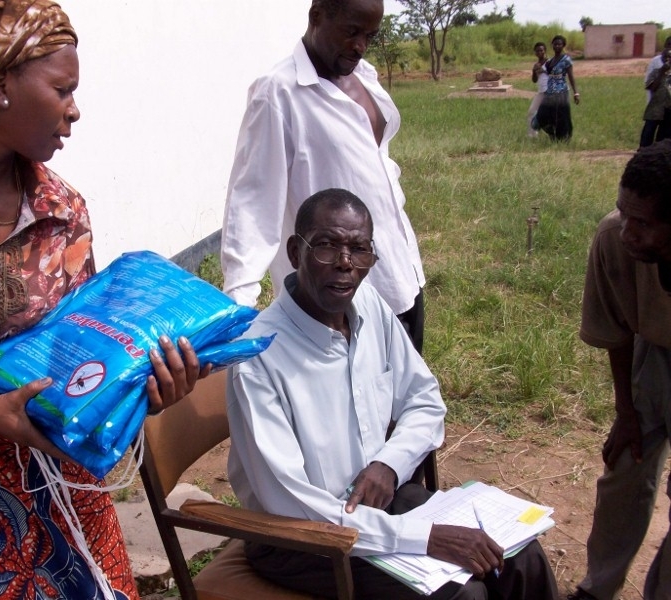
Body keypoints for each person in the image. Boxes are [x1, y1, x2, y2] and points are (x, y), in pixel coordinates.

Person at [0, 2, 205, 598]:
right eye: (62, 89)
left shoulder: (63, 210)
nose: (74, 110)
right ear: (0, 85)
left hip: (64, 479)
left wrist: (145, 389)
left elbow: (89, 352)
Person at [226, 188, 560, 600]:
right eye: (327, 246)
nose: (346, 263)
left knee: (520, 557)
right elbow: (292, 501)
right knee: (464, 595)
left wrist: (388, 464)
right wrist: (424, 537)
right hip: (301, 537)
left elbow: (424, 398)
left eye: (359, 249)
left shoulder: (366, 303)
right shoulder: (259, 356)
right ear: (296, 252)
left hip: (377, 500)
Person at [220, 0, 427, 353]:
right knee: (355, 388)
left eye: (369, 36)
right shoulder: (278, 93)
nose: (360, 46)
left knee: (407, 384)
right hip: (340, 299)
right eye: (352, 32)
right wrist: (238, 313)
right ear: (316, 16)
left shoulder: (364, 77)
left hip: (400, 274)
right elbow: (252, 205)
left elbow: (373, 165)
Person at [568, 140, 671, 600]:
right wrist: (626, 412)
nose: (628, 231)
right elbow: (616, 331)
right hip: (653, 354)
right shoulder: (614, 238)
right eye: (623, 213)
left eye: (643, 223)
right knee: (624, 472)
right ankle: (597, 588)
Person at [535, 35, 579, 141]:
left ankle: (563, 139)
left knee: (561, 117)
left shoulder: (566, 60)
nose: (557, 46)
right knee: (541, 116)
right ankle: (552, 134)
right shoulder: (550, 61)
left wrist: (576, 93)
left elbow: (571, 76)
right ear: (552, 45)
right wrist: (539, 70)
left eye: (559, 44)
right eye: (555, 44)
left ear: (563, 45)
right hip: (549, 92)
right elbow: (548, 73)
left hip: (561, 92)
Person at [639, 39, 671, 148]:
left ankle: (659, 154)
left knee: (664, 137)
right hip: (654, 106)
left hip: (668, 109)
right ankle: (644, 153)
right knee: (648, 132)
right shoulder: (656, 66)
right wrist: (662, 72)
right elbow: (650, 87)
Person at [528, 42, 548, 138]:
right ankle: (532, 135)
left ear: (545, 51)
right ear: (535, 53)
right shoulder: (536, 64)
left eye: (541, 50)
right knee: (531, 111)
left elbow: (555, 74)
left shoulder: (550, 62)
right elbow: (534, 80)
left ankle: (555, 135)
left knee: (550, 114)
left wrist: (543, 70)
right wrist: (534, 70)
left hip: (550, 91)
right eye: (537, 51)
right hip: (541, 92)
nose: (539, 52)